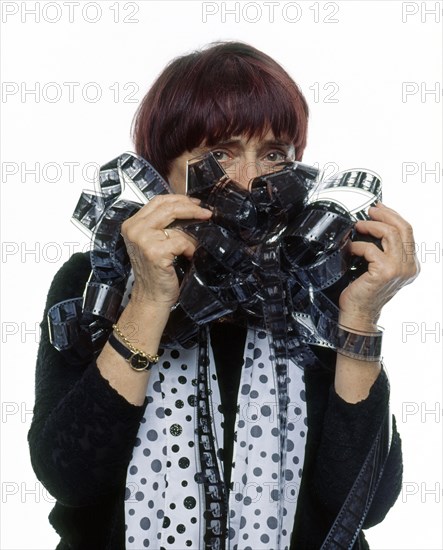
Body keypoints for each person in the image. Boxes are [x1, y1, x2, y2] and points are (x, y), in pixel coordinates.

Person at [28, 41, 419, 550]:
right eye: (219, 154)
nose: (251, 181)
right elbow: (70, 479)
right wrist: (148, 300)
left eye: (274, 154)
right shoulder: (94, 280)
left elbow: (361, 505)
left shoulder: (323, 287)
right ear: (163, 169)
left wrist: (360, 320)